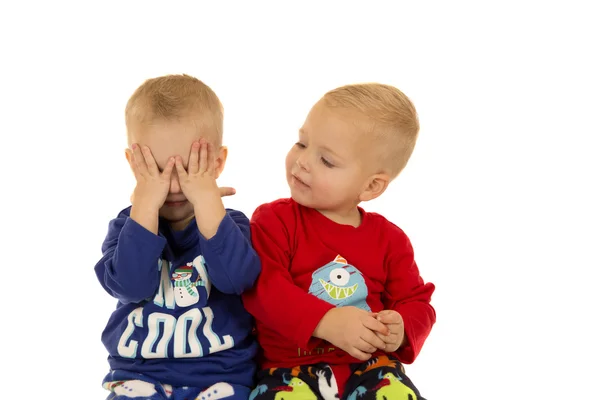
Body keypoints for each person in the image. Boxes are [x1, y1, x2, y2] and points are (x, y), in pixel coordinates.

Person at [243, 83, 436, 399]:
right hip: (288, 370)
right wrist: (324, 321)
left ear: (371, 186)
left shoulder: (390, 240)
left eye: (327, 161)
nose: (303, 161)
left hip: (373, 368)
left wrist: (402, 327)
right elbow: (262, 288)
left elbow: (417, 300)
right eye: (301, 143)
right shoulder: (274, 220)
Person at [95, 74, 260, 400]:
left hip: (223, 376)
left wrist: (208, 205)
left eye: (188, 169)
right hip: (139, 375)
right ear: (132, 163)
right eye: (155, 170)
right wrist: (144, 205)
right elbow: (130, 286)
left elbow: (236, 280)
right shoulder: (126, 228)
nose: (170, 186)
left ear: (217, 163)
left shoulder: (234, 225)